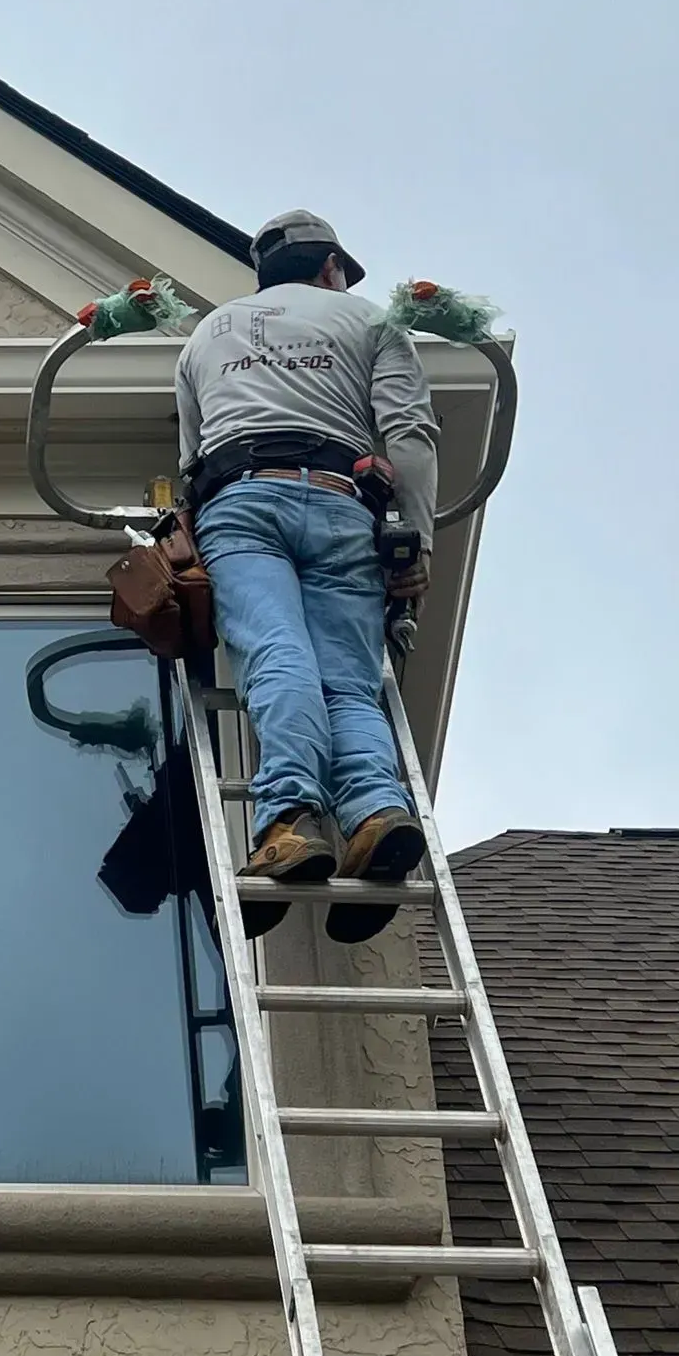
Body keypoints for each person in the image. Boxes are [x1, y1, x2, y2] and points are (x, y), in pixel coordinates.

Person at [175, 211, 437, 943]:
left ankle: (290, 821)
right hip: (340, 502)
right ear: (330, 270)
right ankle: (375, 812)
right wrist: (415, 543)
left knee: (275, 653)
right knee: (348, 680)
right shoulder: (368, 322)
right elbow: (410, 437)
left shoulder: (205, 336)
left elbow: (191, 458)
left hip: (242, 500)